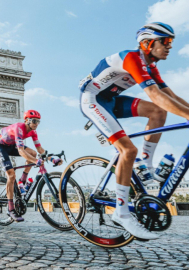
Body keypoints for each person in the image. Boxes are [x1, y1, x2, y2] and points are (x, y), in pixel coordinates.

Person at [78, 22, 189, 240]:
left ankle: (145, 166)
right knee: (128, 151)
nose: (169, 47)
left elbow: (171, 98)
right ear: (147, 44)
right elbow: (156, 95)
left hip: (111, 99)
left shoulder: (151, 66)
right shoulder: (132, 58)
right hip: (93, 100)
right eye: (165, 41)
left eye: (171, 42)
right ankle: (121, 213)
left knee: (157, 112)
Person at [0, 110, 62, 222]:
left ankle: (23, 180)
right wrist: (36, 161)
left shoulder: (33, 132)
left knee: (34, 153)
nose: (36, 124)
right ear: (26, 120)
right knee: (11, 176)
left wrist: (52, 159)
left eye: (38, 122)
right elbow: (21, 151)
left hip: (12, 145)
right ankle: (10, 209)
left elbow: (40, 150)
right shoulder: (19, 128)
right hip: (1, 146)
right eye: (34, 121)